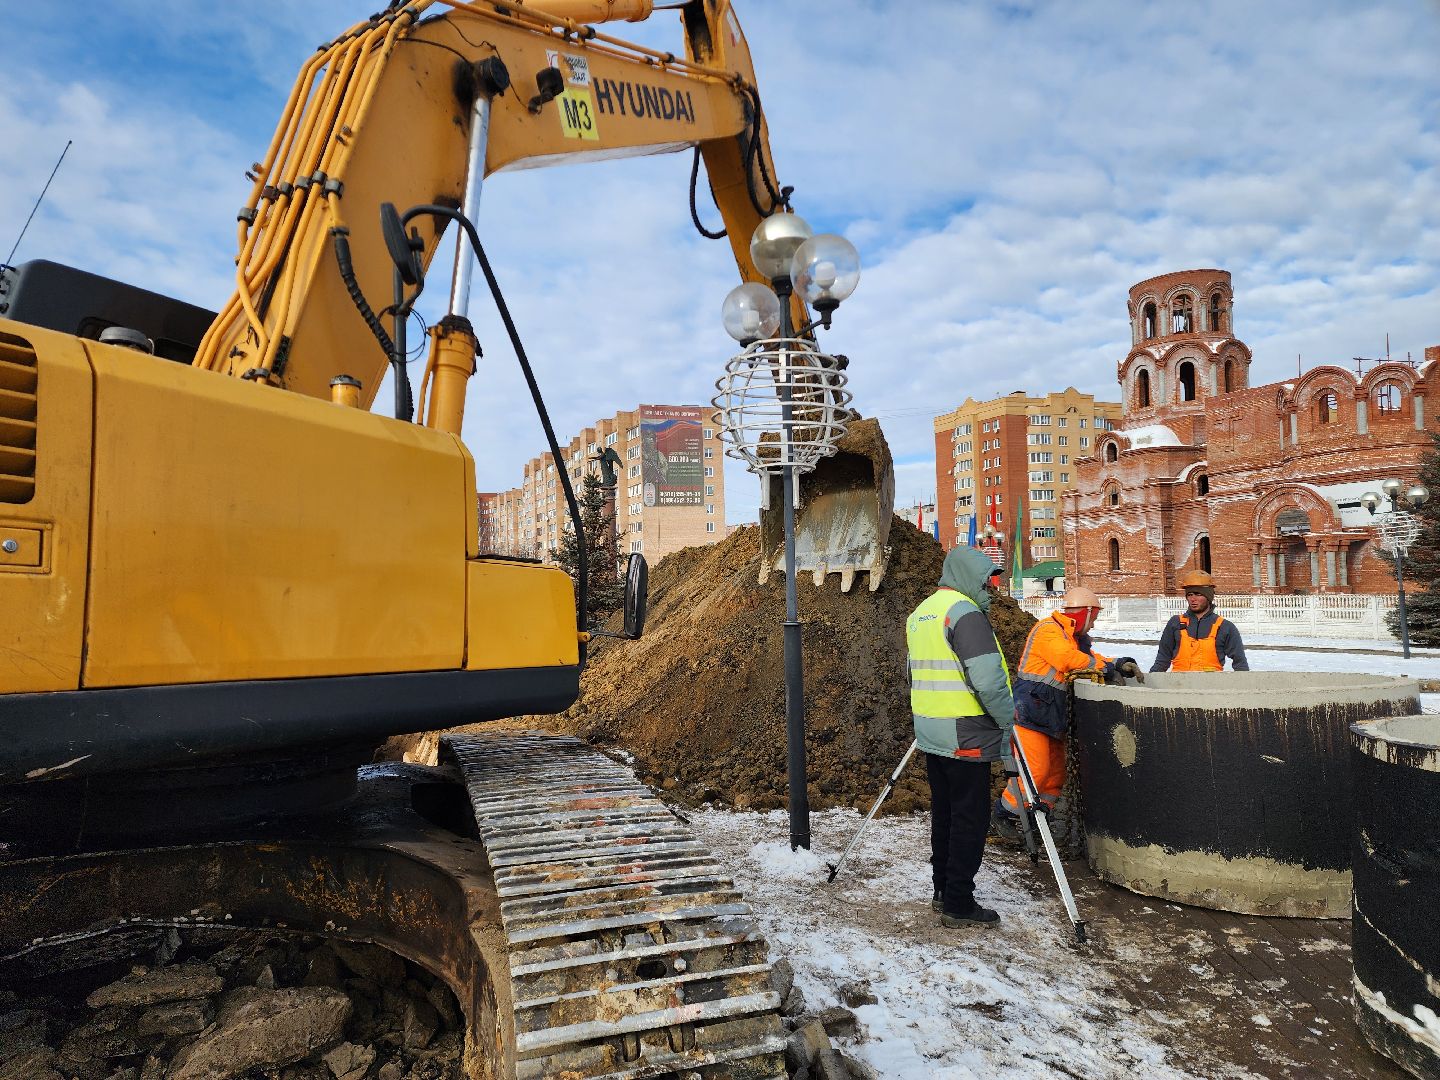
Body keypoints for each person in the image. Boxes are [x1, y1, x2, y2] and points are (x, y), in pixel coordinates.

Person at [905, 547, 1016, 928]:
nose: (991, 586)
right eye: (987, 579)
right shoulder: (966, 614)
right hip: (967, 732)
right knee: (970, 818)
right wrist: (1008, 721)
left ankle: (942, 890)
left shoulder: (922, 613)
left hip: (932, 730)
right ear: (969, 575)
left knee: (946, 814)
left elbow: (913, 674)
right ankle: (958, 902)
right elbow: (988, 680)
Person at [995, 586, 1137, 837]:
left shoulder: (1071, 638)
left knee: (1055, 774)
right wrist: (1104, 670)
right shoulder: (1048, 630)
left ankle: (1039, 813)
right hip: (1030, 710)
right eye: (1093, 619)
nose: (1093, 625)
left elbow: (1089, 657)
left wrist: (1116, 664)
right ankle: (1004, 813)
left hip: (1051, 714)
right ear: (1087, 612)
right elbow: (1067, 660)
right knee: (1035, 769)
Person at [1151, 570, 1249, 672]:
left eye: (1198, 594)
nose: (1193, 599)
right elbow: (1162, 659)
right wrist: (1150, 682)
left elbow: (1240, 664)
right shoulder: (1175, 623)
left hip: (1211, 685)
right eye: (1190, 594)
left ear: (1208, 596)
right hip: (1179, 684)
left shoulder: (1225, 627)